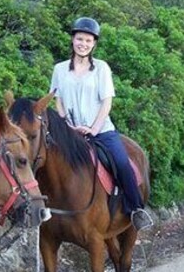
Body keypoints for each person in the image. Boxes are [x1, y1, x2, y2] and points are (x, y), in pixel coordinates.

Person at [49, 17, 153, 231]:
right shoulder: (59, 69)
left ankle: (135, 209)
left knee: (123, 163)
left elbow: (106, 102)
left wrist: (93, 128)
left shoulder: (101, 68)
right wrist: (65, 126)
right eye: (80, 39)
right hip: (70, 133)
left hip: (101, 131)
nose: (83, 44)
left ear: (94, 44)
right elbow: (57, 100)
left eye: (88, 40)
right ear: (72, 39)